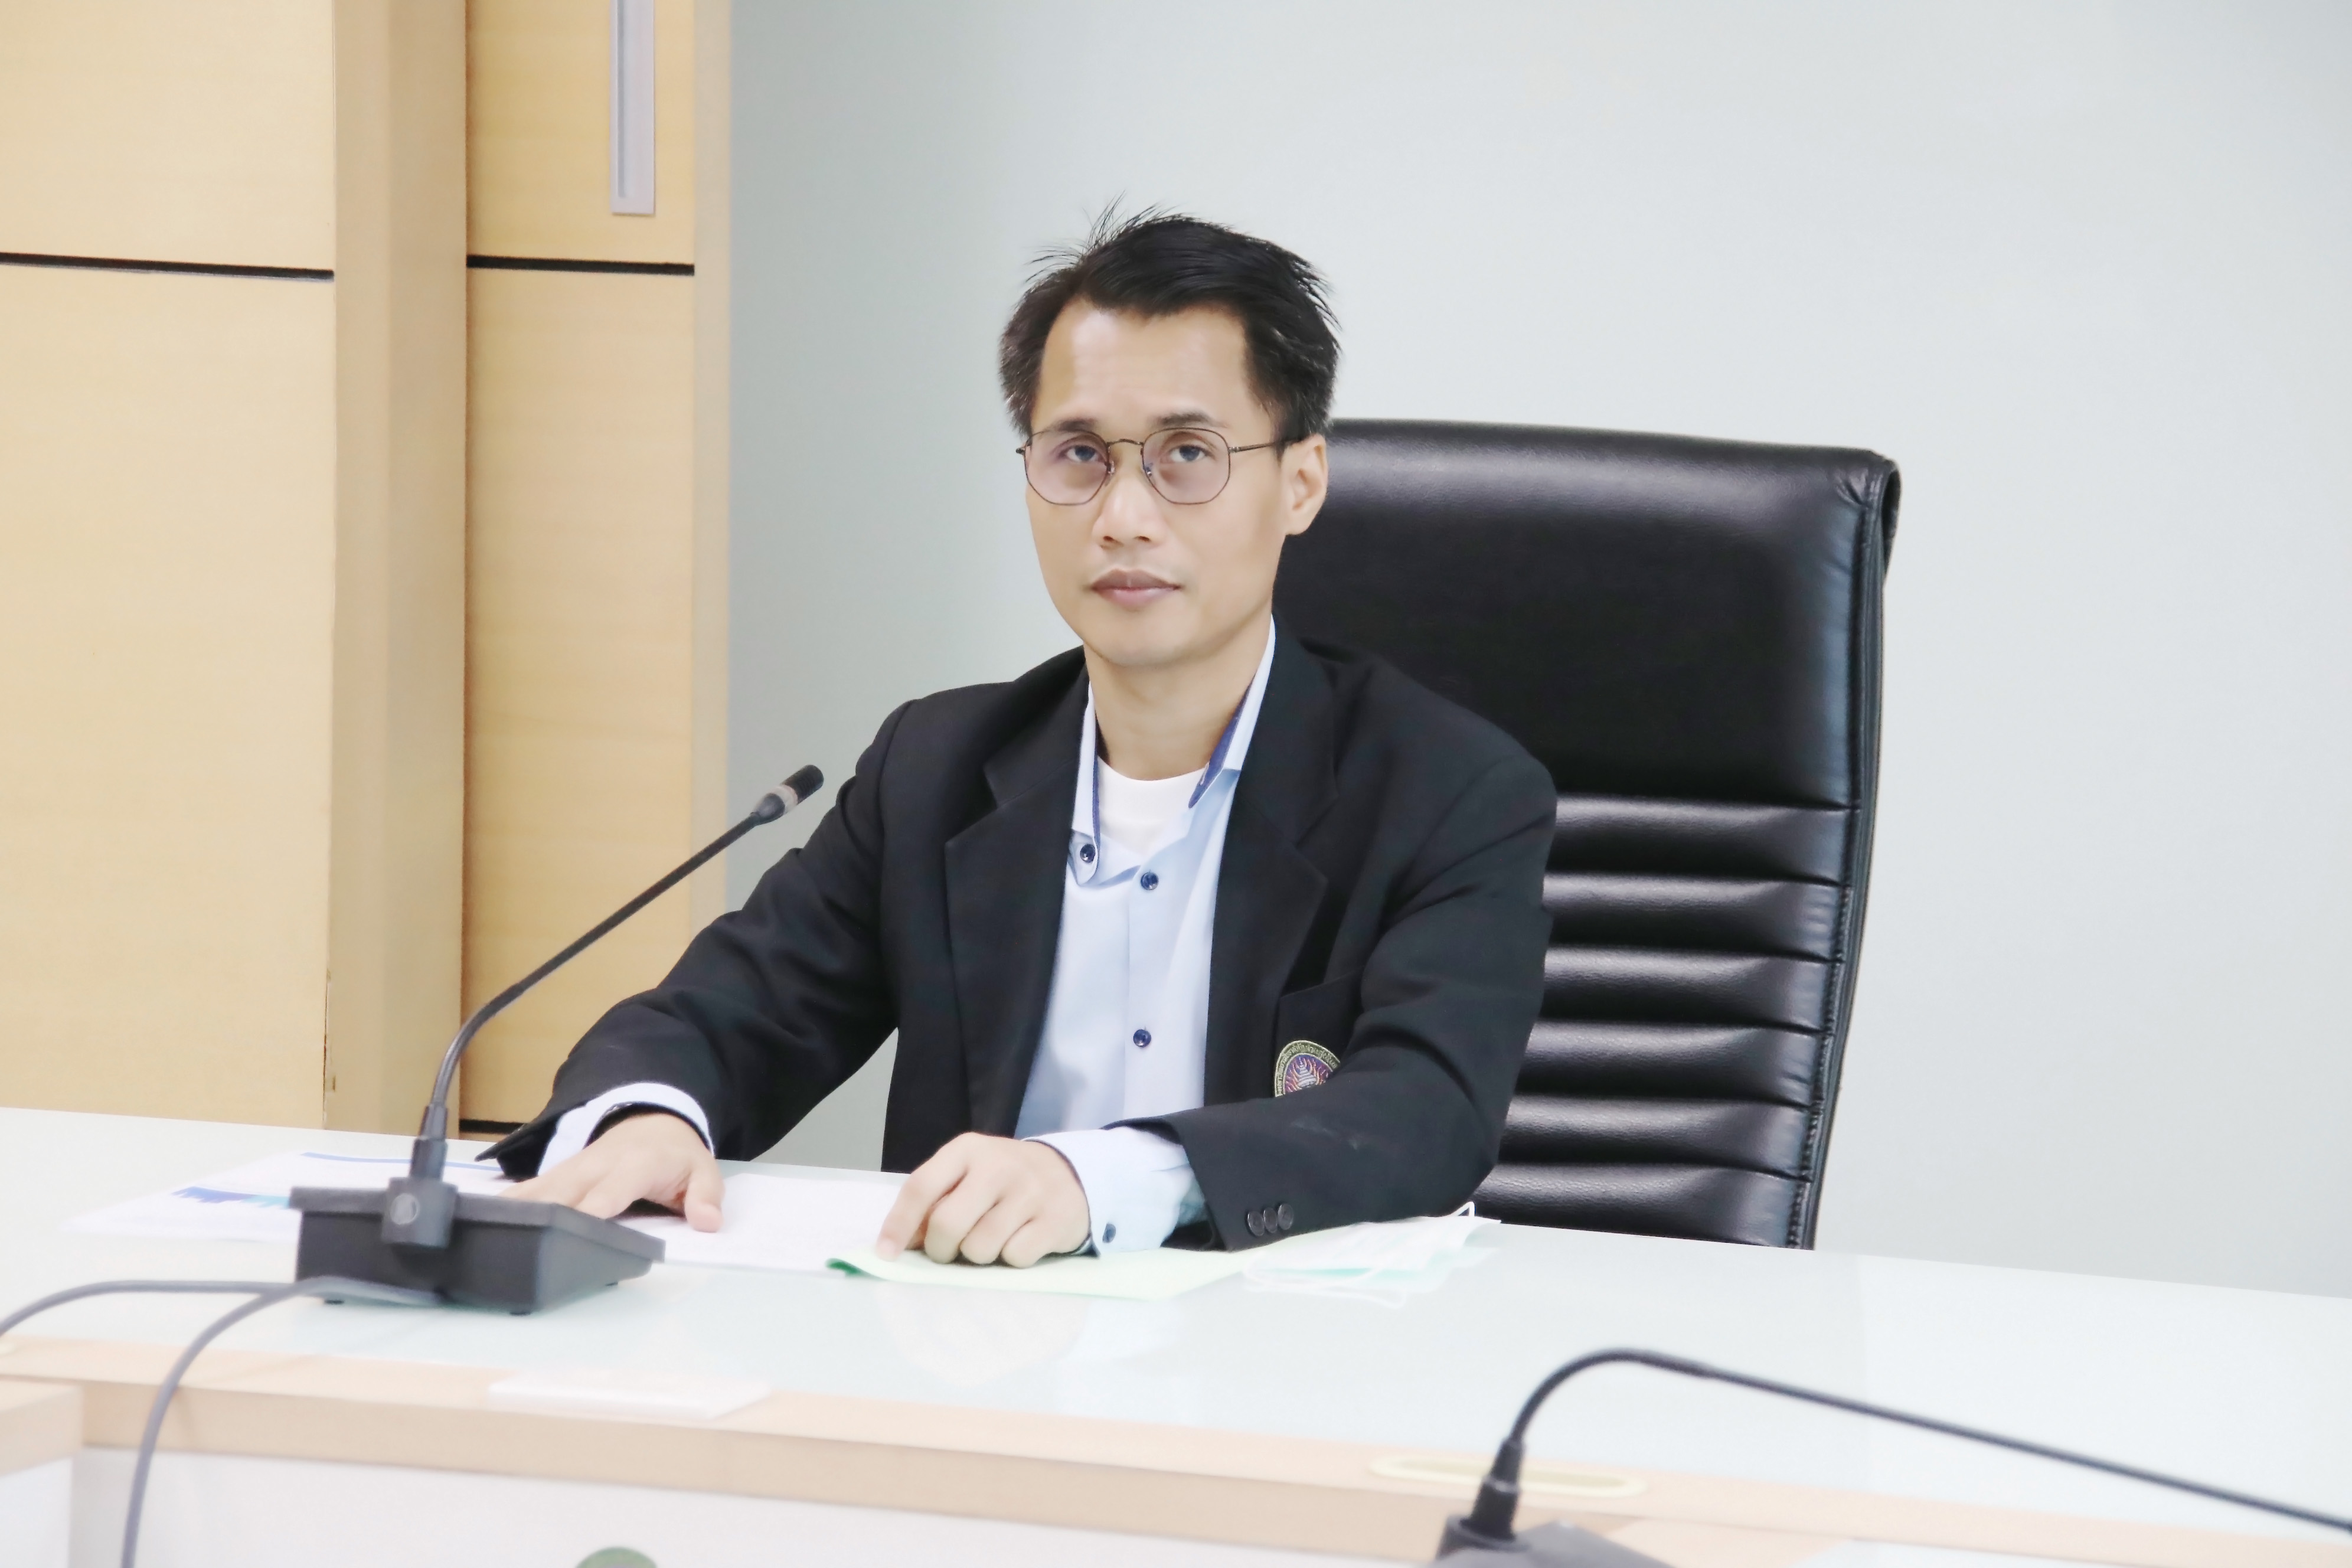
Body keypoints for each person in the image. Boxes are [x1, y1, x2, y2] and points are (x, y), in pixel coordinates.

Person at [497, 213, 1553, 1265]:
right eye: (1080, 455)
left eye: (1187, 455)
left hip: (1280, 1343)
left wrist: (1103, 1178)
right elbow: (731, 1011)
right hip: (970, 1336)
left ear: (1302, 483)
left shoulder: (1447, 791)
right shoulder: (938, 769)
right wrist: (651, 1115)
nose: (1124, 514)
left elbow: (1423, 1113)